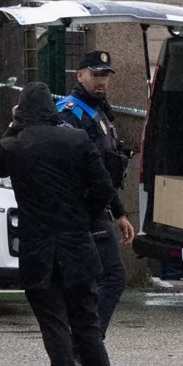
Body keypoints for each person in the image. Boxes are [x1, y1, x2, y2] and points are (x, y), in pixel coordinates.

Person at [0, 83, 121, 366]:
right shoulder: (76, 140)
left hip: (39, 252)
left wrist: (15, 124)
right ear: (52, 109)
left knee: (56, 330)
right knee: (87, 326)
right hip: (78, 247)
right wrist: (85, 216)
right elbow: (105, 188)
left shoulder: (16, 146)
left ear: (23, 111)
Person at [56, 51, 135, 347]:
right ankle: (85, 346)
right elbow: (79, 167)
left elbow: (106, 168)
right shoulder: (70, 112)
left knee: (97, 282)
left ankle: (84, 346)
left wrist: (120, 213)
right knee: (110, 277)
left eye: (104, 75)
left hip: (100, 206)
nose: (101, 81)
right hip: (83, 210)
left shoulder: (99, 111)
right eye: (95, 74)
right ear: (80, 75)